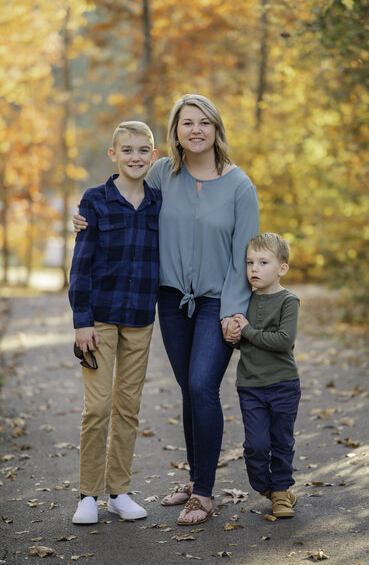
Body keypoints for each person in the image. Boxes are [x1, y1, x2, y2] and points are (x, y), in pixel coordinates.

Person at [73, 94, 259, 525]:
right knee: (188, 391)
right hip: (170, 301)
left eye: (204, 122)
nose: (195, 130)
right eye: (186, 122)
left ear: (217, 128)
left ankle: (206, 494)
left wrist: (236, 310)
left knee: (201, 386)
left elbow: (245, 254)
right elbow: (124, 182)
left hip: (218, 302)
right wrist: (85, 215)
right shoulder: (163, 173)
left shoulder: (239, 186)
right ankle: (194, 480)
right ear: (175, 132)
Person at [68, 121, 161, 524]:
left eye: (143, 150)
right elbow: (81, 265)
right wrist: (81, 320)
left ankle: (118, 491)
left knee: (128, 407)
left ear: (153, 157)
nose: (135, 157)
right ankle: (88, 494)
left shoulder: (159, 202)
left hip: (141, 318)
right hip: (100, 319)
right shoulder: (94, 200)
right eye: (127, 150)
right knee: (99, 407)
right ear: (113, 155)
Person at [226, 232, 301, 518]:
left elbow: (283, 340)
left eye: (263, 262)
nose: (254, 269)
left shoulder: (288, 301)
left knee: (281, 441)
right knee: (256, 445)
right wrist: (234, 336)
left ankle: (281, 494)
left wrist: (246, 330)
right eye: (249, 262)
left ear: (282, 268)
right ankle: (266, 487)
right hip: (251, 385)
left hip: (283, 384)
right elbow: (244, 342)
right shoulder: (245, 300)